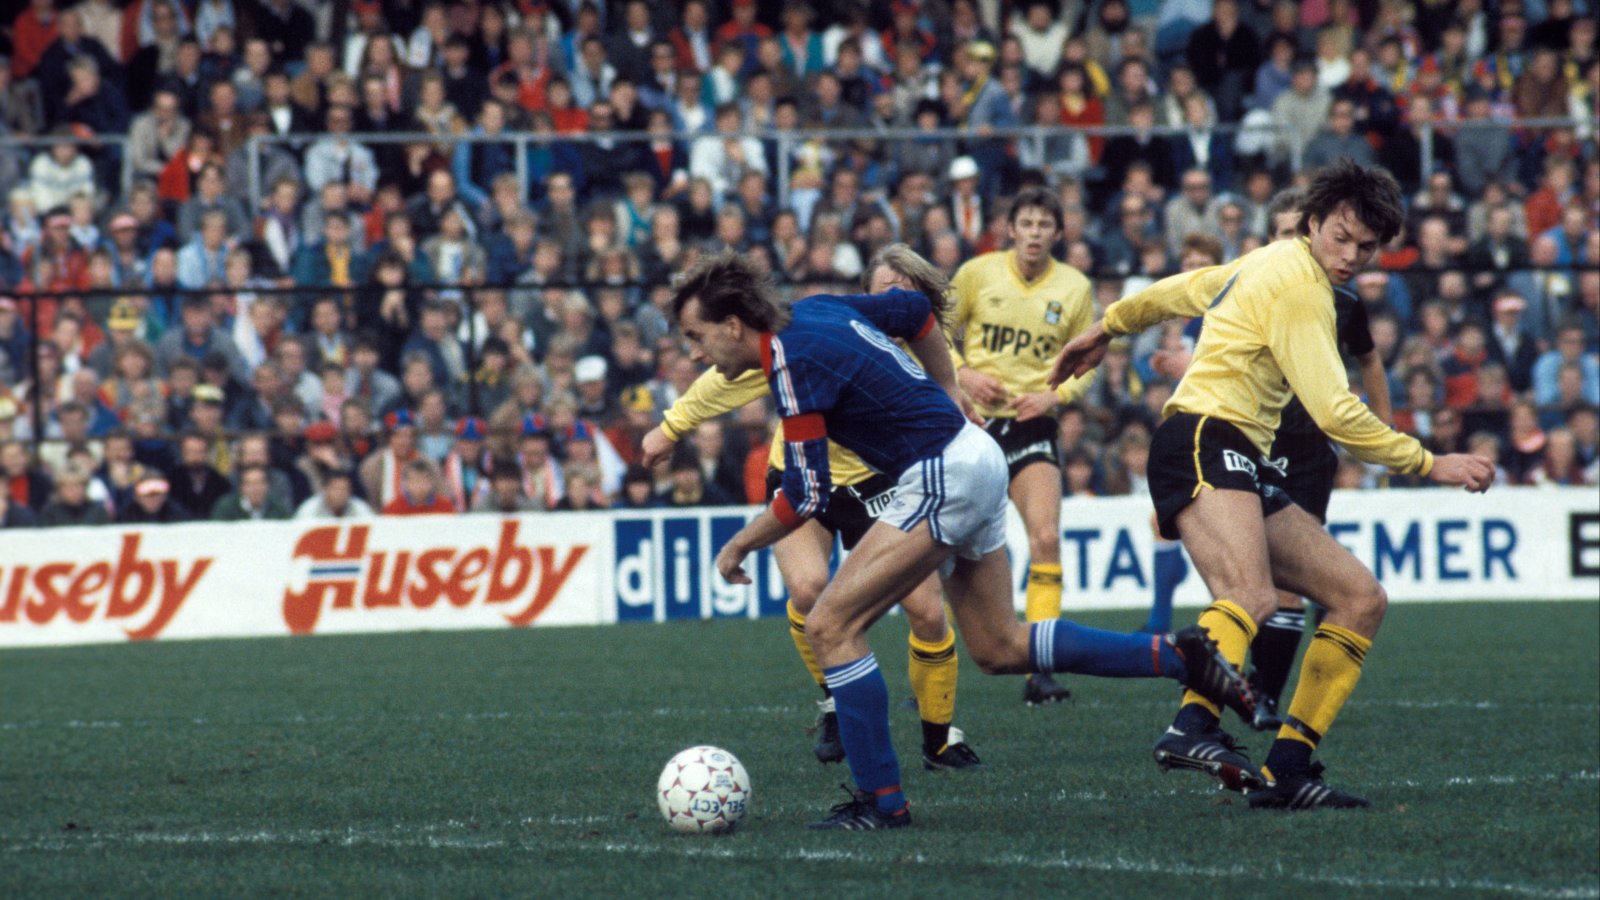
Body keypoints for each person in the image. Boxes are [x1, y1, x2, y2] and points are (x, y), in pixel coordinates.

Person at [673, 251, 1250, 830]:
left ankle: (882, 802)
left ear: (733, 325)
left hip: (943, 473)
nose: (694, 354)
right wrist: (948, 386)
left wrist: (739, 545)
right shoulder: (817, 309)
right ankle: (1180, 656)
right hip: (976, 456)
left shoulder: (791, 362)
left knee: (829, 625)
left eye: (696, 336)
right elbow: (913, 309)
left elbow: (804, 496)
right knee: (999, 647)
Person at [1049, 159, 1495, 809]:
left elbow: (1179, 290)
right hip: (1204, 438)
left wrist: (1106, 327)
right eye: (1341, 237)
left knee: (1359, 598)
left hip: (1236, 453)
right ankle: (1190, 727)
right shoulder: (1300, 286)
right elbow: (1335, 412)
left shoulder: (1266, 260)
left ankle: (1289, 767)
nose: (1351, 256)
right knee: (1252, 593)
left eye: (1366, 247)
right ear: (1312, 223)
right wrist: (1429, 463)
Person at [642, 244, 984, 773]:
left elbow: (952, 388)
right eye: (883, 290)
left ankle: (938, 738)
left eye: (903, 290)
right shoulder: (818, 333)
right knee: (807, 589)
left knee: (926, 610)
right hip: (802, 474)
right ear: (865, 294)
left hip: (883, 484)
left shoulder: (926, 348)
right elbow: (725, 379)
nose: (891, 299)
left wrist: (956, 390)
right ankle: (834, 702)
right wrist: (670, 427)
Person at [946, 186, 1095, 707]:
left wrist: (1055, 395)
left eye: (1044, 225)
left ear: (1058, 233)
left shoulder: (1075, 287)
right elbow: (934, 333)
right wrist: (964, 374)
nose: (1034, 233)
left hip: (1032, 425)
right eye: (1026, 223)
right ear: (1010, 229)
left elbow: (1090, 359)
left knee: (1046, 537)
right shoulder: (976, 273)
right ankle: (933, 662)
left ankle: (1041, 668)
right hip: (974, 425)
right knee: (940, 545)